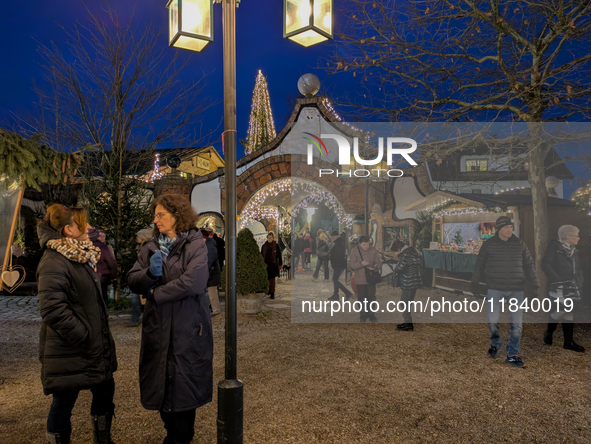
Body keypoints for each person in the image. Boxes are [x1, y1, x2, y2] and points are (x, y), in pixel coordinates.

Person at [127, 194, 212, 444]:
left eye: (161, 214)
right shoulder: (152, 246)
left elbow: (193, 282)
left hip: (188, 328)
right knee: (161, 384)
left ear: (177, 215)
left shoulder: (196, 244)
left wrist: (156, 292)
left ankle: (180, 436)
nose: (156, 219)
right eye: (155, 214)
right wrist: (149, 275)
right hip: (158, 328)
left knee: (185, 389)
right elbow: (133, 279)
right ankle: (172, 431)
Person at [37, 204, 117, 444]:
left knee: (105, 391)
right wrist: (83, 335)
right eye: (84, 224)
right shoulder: (54, 261)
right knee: (63, 402)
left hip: (92, 347)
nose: (90, 228)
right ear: (69, 230)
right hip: (70, 349)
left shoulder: (80, 254)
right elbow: (52, 308)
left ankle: (103, 440)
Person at [471, 216, 539, 368]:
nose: (510, 230)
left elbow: (529, 265)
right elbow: (479, 264)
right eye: (506, 227)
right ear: (499, 229)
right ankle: (495, 344)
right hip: (495, 288)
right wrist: (475, 283)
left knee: (517, 325)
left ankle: (512, 355)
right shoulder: (489, 244)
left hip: (516, 289)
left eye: (511, 227)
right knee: (492, 320)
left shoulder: (520, 244)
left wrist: (535, 285)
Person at [542, 225, 585, 352]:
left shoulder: (573, 250)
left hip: (572, 285)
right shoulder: (554, 248)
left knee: (568, 311)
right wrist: (557, 280)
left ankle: (568, 341)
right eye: (576, 235)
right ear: (567, 237)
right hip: (559, 286)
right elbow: (545, 264)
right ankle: (550, 333)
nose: (578, 238)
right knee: (562, 310)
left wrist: (579, 281)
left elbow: (577, 269)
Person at [349, 235, 382, 322]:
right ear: (359, 244)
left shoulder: (373, 250)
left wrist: (376, 267)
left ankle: (371, 313)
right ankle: (363, 313)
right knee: (361, 297)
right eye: (364, 244)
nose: (366, 246)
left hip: (371, 278)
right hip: (360, 278)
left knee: (371, 296)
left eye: (367, 244)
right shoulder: (355, 251)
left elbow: (379, 262)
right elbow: (351, 265)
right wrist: (361, 264)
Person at [391, 240, 423, 331]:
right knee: (408, 302)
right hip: (415, 281)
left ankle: (408, 323)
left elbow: (399, 268)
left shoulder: (405, 254)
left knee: (403, 302)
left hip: (408, 282)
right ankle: (407, 323)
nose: (395, 254)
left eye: (395, 252)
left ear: (398, 249)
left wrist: (395, 267)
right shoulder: (413, 252)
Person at [88, 228, 118, 305]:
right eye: (100, 236)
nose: (102, 238)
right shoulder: (103, 247)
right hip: (102, 275)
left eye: (104, 236)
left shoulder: (86, 246)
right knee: (103, 296)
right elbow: (111, 261)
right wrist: (114, 275)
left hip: (90, 275)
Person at [130, 228, 153, 324]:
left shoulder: (148, 247)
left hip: (145, 275)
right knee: (139, 299)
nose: (137, 238)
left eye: (138, 236)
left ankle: (139, 319)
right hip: (143, 274)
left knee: (140, 299)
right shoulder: (142, 246)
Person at [328, 230, 353, 302]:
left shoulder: (338, 244)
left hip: (338, 264)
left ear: (335, 236)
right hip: (339, 264)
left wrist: (334, 262)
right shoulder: (339, 243)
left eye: (332, 236)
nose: (331, 238)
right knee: (335, 279)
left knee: (335, 279)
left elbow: (337, 255)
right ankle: (336, 295)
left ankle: (347, 293)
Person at [201, 228, 222, 315]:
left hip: (212, 272)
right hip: (211, 271)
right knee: (210, 292)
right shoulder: (209, 243)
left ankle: (215, 309)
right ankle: (213, 308)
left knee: (212, 291)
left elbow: (210, 259)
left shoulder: (209, 245)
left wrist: (206, 269)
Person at [261, 232, 282, 299]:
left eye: (271, 237)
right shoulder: (264, 246)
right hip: (266, 265)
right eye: (268, 237)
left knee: (272, 280)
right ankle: (268, 290)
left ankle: (272, 292)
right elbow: (262, 255)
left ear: (273, 238)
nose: (269, 239)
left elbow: (279, 256)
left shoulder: (276, 246)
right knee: (267, 279)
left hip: (273, 265)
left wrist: (280, 264)